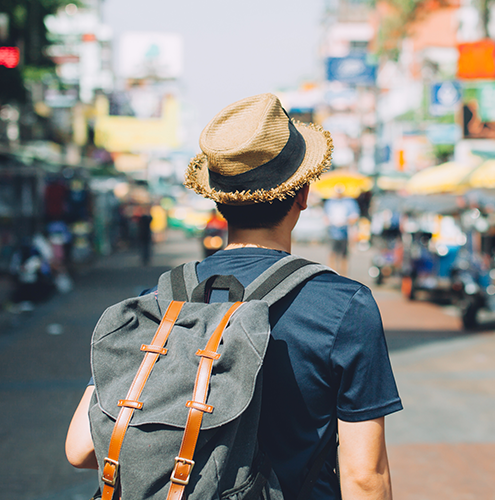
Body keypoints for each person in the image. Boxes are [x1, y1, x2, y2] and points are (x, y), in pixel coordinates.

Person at [65, 93, 402, 499]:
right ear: (303, 195)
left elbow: (81, 447)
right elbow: (364, 477)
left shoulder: (159, 301)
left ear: (219, 199)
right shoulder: (345, 305)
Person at [323, 184, 359, 275]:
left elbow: (355, 216)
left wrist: (345, 221)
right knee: (332, 254)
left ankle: (343, 276)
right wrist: (331, 221)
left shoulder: (349, 202)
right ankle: (331, 275)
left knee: (344, 256)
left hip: (344, 233)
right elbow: (325, 216)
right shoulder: (330, 202)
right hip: (332, 232)